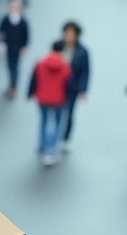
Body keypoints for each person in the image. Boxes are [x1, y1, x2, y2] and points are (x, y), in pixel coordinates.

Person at [27, 40, 72, 166]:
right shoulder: (65, 66)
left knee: (43, 121)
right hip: (59, 100)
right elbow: (69, 85)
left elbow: (34, 79)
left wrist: (30, 93)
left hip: (42, 98)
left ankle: (42, 145)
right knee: (57, 123)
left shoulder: (40, 62)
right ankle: (51, 149)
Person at [58, 21, 91, 153]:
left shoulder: (83, 51)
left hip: (72, 87)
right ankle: (53, 137)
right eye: (67, 33)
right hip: (57, 86)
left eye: (72, 34)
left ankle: (66, 139)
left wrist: (83, 89)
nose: (69, 36)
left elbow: (85, 71)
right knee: (56, 113)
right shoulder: (58, 46)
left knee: (69, 113)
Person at [0, 0, 29, 98]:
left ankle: (14, 87)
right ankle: (11, 85)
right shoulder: (6, 20)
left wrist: (24, 46)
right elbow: (1, 32)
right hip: (8, 47)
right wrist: (2, 43)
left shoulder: (23, 22)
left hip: (17, 48)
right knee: (9, 67)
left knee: (15, 68)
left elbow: (26, 36)